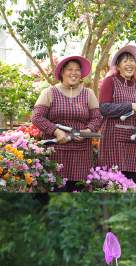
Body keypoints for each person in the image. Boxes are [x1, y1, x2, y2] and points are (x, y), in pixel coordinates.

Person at [31, 55, 103, 192]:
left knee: (77, 193)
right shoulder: (49, 92)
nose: (74, 72)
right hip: (56, 151)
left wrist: (87, 131)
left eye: (77, 69)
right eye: (70, 69)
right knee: (57, 193)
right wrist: (56, 131)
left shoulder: (88, 93)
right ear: (62, 72)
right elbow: (37, 117)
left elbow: (97, 118)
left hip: (81, 153)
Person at [98, 45, 136, 184]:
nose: (129, 64)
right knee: (112, 183)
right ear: (118, 66)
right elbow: (104, 108)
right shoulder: (110, 82)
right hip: (112, 141)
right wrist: (129, 105)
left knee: (131, 183)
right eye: (125, 61)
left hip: (133, 141)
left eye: (131, 60)